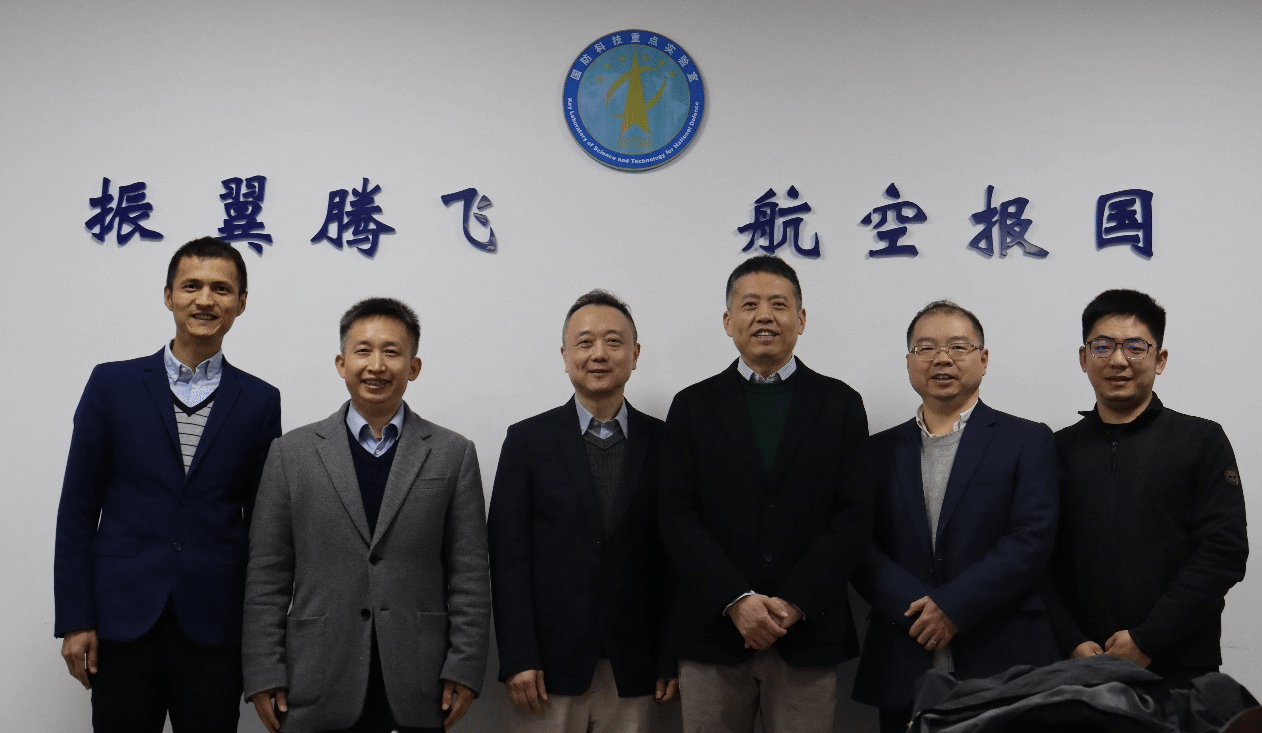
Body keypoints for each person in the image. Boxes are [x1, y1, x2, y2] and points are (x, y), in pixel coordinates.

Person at [53, 237, 282, 732]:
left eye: (221, 289)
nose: (205, 300)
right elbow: (77, 510)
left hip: (215, 625)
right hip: (121, 621)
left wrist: (263, 639)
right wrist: (75, 618)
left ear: (241, 302)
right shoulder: (111, 385)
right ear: (168, 296)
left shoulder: (261, 400)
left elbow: (264, 526)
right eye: (191, 286)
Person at [242, 297, 490, 733]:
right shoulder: (291, 454)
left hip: (419, 677)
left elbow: (469, 573)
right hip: (315, 674)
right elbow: (267, 573)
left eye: (392, 352)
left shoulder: (453, 453)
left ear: (413, 367)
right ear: (341, 364)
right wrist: (264, 670)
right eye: (363, 351)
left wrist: (465, 667)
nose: (376, 365)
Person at [659, 255, 872, 733]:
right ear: (728, 322)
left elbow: (854, 516)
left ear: (801, 319)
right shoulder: (692, 406)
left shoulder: (840, 404)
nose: (764, 316)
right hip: (713, 631)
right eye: (750, 304)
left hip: (806, 632)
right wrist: (735, 599)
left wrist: (793, 602)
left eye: (778, 304)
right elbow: (676, 515)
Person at [851, 301, 1059, 733]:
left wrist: (954, 606)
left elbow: (1031, 539)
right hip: (903, 652)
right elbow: (857, 544)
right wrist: (918, 613)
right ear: (909, 361)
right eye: (926, 348)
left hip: (1001, 655)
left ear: (983, 359)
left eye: (958, 347)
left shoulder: (1027, 439)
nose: (941, 358)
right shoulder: (874, 451)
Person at [488, 289, 677, 733]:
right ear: (565, 355)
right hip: (545, 670)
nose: (599, 354)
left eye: (613, 342)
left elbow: (676, 560)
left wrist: (670, 654)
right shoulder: (526, 441)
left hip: (637, 667)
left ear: (634, 354)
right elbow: (508, 559)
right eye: (585, 342)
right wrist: (518, 657)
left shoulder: (666, 443)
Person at [1048, 289, 1248, 683]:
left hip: (1181, 667)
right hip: (1077, 668)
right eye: (1102, 346)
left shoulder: (1202, 440)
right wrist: (1071, 640)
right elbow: (1037, 557)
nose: (1118, 360)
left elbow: (1223, 552)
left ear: (1160, 359)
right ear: (1084, 358)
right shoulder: (1055, 449)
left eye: (1135, 347)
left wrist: (1147, 639)